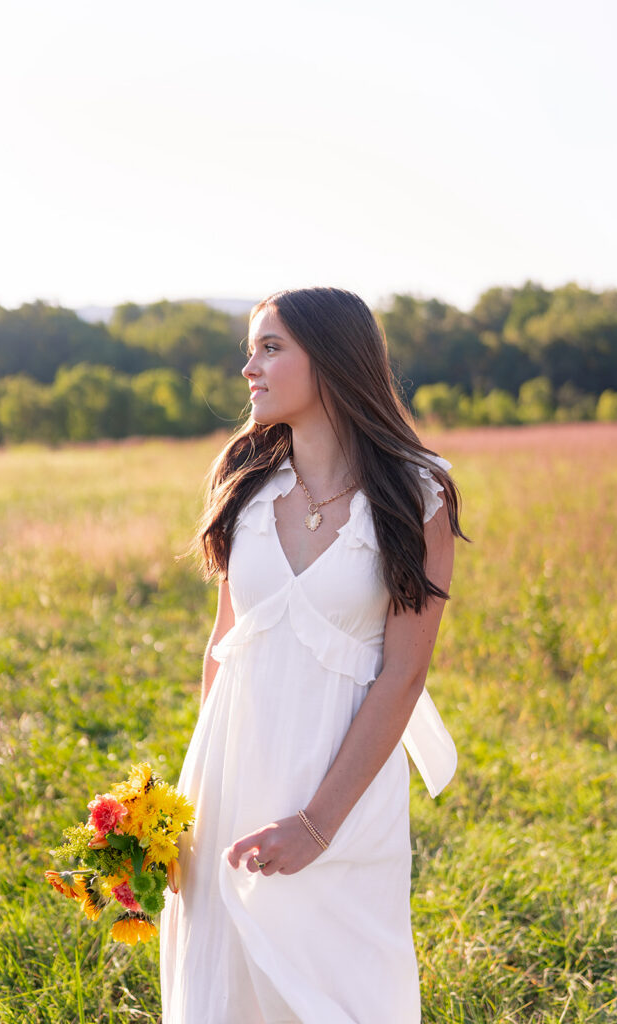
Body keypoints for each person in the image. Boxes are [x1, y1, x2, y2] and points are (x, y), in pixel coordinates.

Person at [160, 286, 466, 1023]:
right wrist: (184, 807)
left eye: (270, 348)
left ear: (329, 360)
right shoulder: (244, 480)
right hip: (232, 764)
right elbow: (221, 645)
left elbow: (404, 671)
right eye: (250, 349)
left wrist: (317, 823)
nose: (248, 368)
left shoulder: (417, 492)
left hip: (343, 781)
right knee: (223, 976)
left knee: (340, 984)